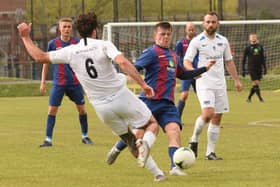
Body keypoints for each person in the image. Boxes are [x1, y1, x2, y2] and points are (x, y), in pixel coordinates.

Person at [18, 12, 167, 182]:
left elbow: (40, 57)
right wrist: (142, 84)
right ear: (95, 30)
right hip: (121, 96)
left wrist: (25, 37)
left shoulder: (71, 51)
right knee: (151, 124)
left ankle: (158, 174)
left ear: (78, 32)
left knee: (129, 140)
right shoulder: (104, 45)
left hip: (101, 108)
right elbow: (123, 63)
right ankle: (146, 144)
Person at [106, 21, 215, 176]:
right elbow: (134, 68)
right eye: (162, 34)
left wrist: (204, 68)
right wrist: (133, 81)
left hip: (168, 104)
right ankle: (117, 148)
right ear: (155, 35)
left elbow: (183, 74)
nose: (165, 37)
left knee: (174, 131)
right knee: (137, 134)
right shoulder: (151, 52)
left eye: (168, 34)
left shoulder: (173, 56)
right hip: (149, 102)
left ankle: (174, 167)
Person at [184, 11, 243, 160]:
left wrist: (236, 80)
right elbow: (187, 61)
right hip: (204, 82)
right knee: (208, 113)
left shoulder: (223, 41)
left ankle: (210, 152)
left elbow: (229, 62)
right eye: (208, 22)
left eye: (213, 22)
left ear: (218, 24)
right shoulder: (197, 41)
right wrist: (193, 72)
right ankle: (194, 139)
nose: (211, 24)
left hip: (220, 84)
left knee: (217, 117)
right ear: (203, 24)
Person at [39, 17, 93, 147]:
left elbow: (84, 62)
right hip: (59, 83)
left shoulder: (77, 43)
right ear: (59, 28)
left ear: (72, 28)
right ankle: (48, 139)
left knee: (82, 110)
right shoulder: (53, 44)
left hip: (74, 83)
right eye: (64, 27)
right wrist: (43, 82)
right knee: (52, 110)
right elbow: (46, 63)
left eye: (69, 27)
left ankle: (85, 136)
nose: (67, 29)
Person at [175, 22, 198, 122]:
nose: (191, 31)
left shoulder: (199, 42)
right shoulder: (181, 43)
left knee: (203, 95)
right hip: (186, 73)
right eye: (189, 29)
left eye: (193, 29)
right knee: (184, 95)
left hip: (197, 73)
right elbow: (176, 57)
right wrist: (181, 68)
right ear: (186, 30)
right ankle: (177, 118)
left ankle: (209, 118)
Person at [242, 32, 266, 102]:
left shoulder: (260, 46)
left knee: (255, 84)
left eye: (254, 37)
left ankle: (248, 98)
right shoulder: (247, 48)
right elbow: (243, 59)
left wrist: (265, 67)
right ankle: (260, 99)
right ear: (249, 39)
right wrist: (243, 70)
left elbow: (262, 58)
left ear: (256, 38)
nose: (253, 38)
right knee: (256, 83)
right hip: (251, 68)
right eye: (252, 37)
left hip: (259, 68)